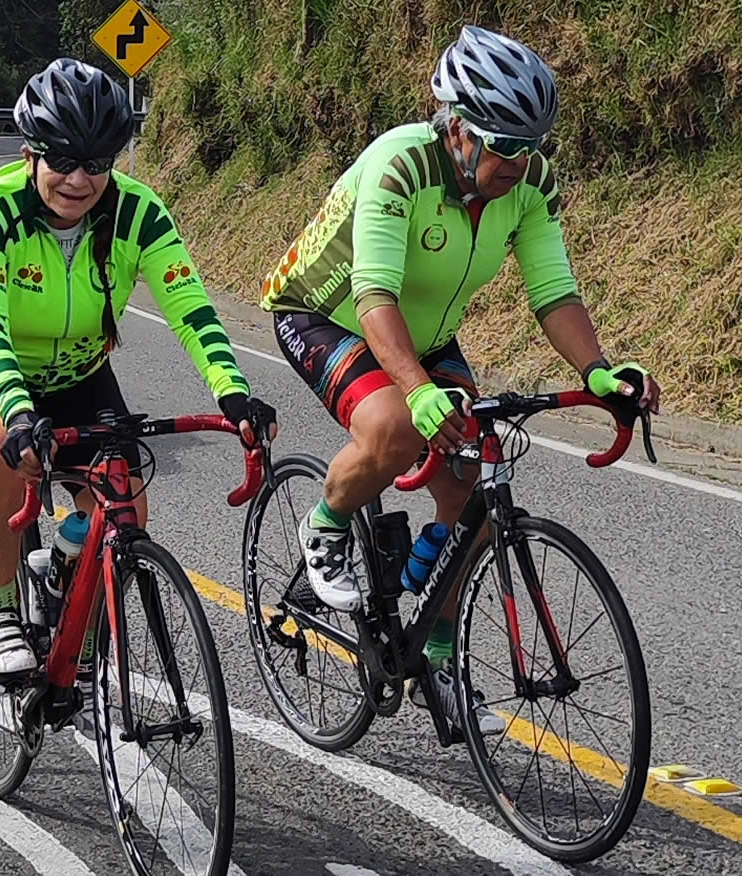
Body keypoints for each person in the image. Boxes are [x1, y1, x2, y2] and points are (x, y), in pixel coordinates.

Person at [260, 25, 660, 734]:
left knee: (470, 485)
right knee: (393, 425)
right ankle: (324, 525)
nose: (520, 162)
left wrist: (598, 371)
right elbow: (374, 294)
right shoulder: (400, 164)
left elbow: (554, 292)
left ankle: (439, 662)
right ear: (457, 129)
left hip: (425, 332)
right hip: (329, 313)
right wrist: (416, 391)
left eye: (532, 145)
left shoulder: (529, 183)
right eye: (504, 145)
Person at [0, 59, 276, 700]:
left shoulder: (139, 214)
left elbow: (191, 309)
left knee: (125, 504)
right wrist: (19, 414)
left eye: (96, 163)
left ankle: (67, 589)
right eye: (62, 161)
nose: (79, 180)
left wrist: (231, 391)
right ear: (30, 154)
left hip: (76, 369)